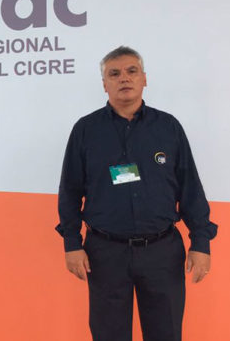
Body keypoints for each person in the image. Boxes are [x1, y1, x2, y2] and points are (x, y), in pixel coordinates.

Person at [56, 46, 217, 341]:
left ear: (144, 78)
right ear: (104, 84)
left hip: (162, 252)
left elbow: (190, 187)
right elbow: (70, 190)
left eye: (132, 71)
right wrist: (71, 243)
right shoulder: (86, 130)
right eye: (114, 74)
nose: (124, 78)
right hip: (105, 253)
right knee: (108, 334)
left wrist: (201, 242)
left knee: (166, 333)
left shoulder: (168, 127)